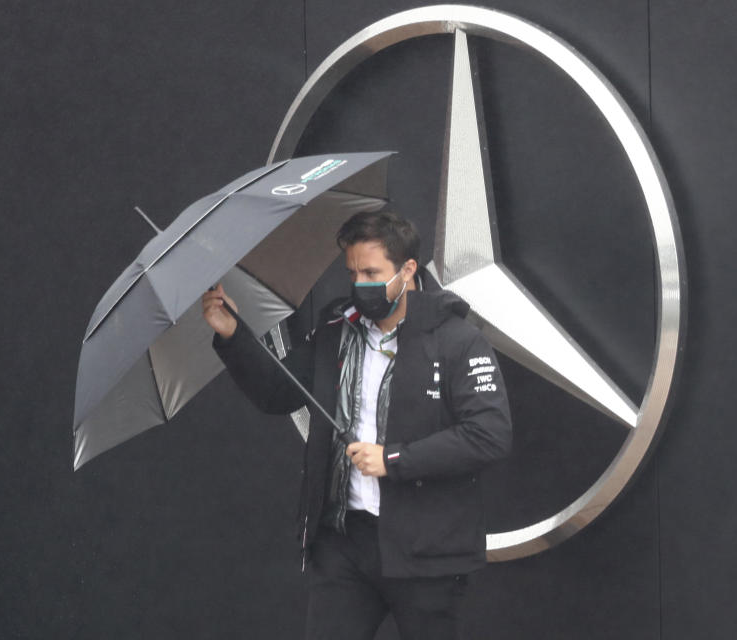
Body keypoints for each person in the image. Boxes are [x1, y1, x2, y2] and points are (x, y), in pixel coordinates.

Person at [201, 210, 512, 639]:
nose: (361, 283)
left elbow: (489, 435)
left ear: (407, 269)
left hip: (427, 552)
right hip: (344, 542)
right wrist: (233, 335)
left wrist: (394, 459)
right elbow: (278, 392)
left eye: (372, 272)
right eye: (353, 272)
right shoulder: (336, 329)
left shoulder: (457, 339)